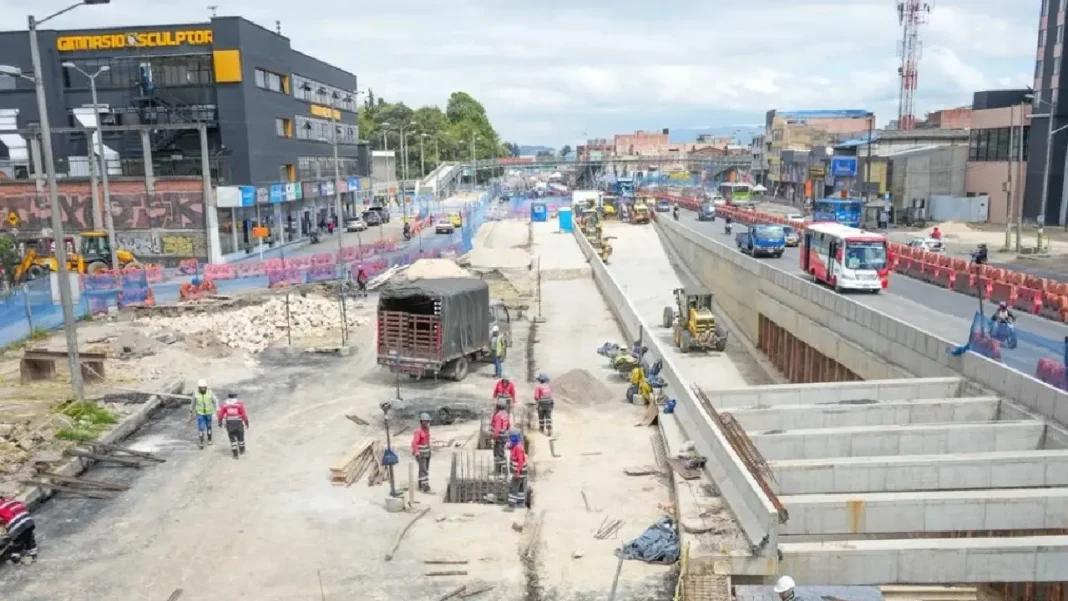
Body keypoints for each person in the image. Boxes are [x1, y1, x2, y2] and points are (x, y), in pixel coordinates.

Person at [0, 495, 37, 565]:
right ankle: (32, 554)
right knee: (29, 538)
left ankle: (18, 558)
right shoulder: (12, 501)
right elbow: (24, 507)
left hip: (17, 527)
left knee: (17, 541)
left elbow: (3, 520)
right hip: (29, 521)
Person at [216, 391, 250, 460]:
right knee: (241, 438)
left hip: (230, 424)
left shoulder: (225, 404)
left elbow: (220, 414)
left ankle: (235, 454)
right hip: (238, 423)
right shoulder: (239, 404)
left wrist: (220, 422)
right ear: (235, 396)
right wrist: (246, 422)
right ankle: (242, 450)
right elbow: (243, 414)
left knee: (232, 439)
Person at [190, 379, 219, 449]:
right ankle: (201, 442)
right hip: (200, 413)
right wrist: (191, 410)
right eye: (201, 387)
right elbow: (193, 402)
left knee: (209, 426)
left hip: (209, 413)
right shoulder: (196, 393)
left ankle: (209, 440)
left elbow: (215, 401)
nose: (202, 389)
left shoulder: (210, 393)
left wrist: (217, 408)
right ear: (199, 387)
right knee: (201, 427)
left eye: (204, 387)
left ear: (206, 387)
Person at [505, 428, 528, 511]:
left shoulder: (518, 448)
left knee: (513, 488)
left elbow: (520, 461)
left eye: (510, 437)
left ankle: (511, 506)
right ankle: (520, 503)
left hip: (519, 472)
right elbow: (509, 446)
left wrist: (517, 472)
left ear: (514, 437)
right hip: (522, 472)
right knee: (520, 487)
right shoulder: (517, 445)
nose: (509, 439)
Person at [411, 413, 433, 493]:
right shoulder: (418, 431)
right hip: (421, 455)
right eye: (425, 421)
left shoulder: (426, 430)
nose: (427, 423)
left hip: (427, 454)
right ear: (421, 422)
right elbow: (414, 443)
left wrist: (429, 452)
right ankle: (425, 487)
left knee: (425, 470)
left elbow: (427, 442)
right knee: (423, 470)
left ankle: (421, 485)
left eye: (428, 421)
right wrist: (417, 453)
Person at [490, 397, 511, 475]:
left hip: (498, 438)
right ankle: (500, 470)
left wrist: (494, 437)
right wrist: (505, 432)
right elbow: (508, 425)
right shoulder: (505, 414)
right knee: (500, 453)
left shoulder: (498, 415)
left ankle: (502, 471)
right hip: (504, 436)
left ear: (498, 405)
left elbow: (497, 428)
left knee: (498, 454)